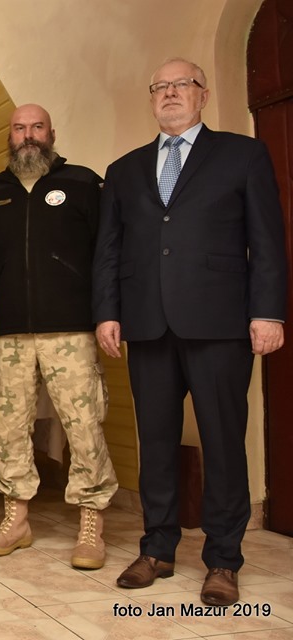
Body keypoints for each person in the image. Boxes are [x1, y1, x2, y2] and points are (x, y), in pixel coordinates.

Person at [92, 58, 287, 606]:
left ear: (203, 95)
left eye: (183, 84)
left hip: (220, 323)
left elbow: (266, 239)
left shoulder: (242, 154)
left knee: (223, 440)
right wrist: (107, 312)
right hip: (147, 324)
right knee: (155, 441)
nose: (171, 93)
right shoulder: (124, 169)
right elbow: (109, 249)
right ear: (152, 98)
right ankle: (156, 548)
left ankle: (223, 559)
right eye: (161, 86)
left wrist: (268, 312)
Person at [0, 104, 118, 569]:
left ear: (51, 133)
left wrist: (107, 313)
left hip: (71, 329)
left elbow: (106, 254)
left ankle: (91, 524)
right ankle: (16, 520)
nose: (28, 135)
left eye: (37, 127)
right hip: (12, 333)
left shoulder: (83, 183)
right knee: (9, 428)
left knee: (84, 424)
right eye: (19, 128)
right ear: (9, 136)